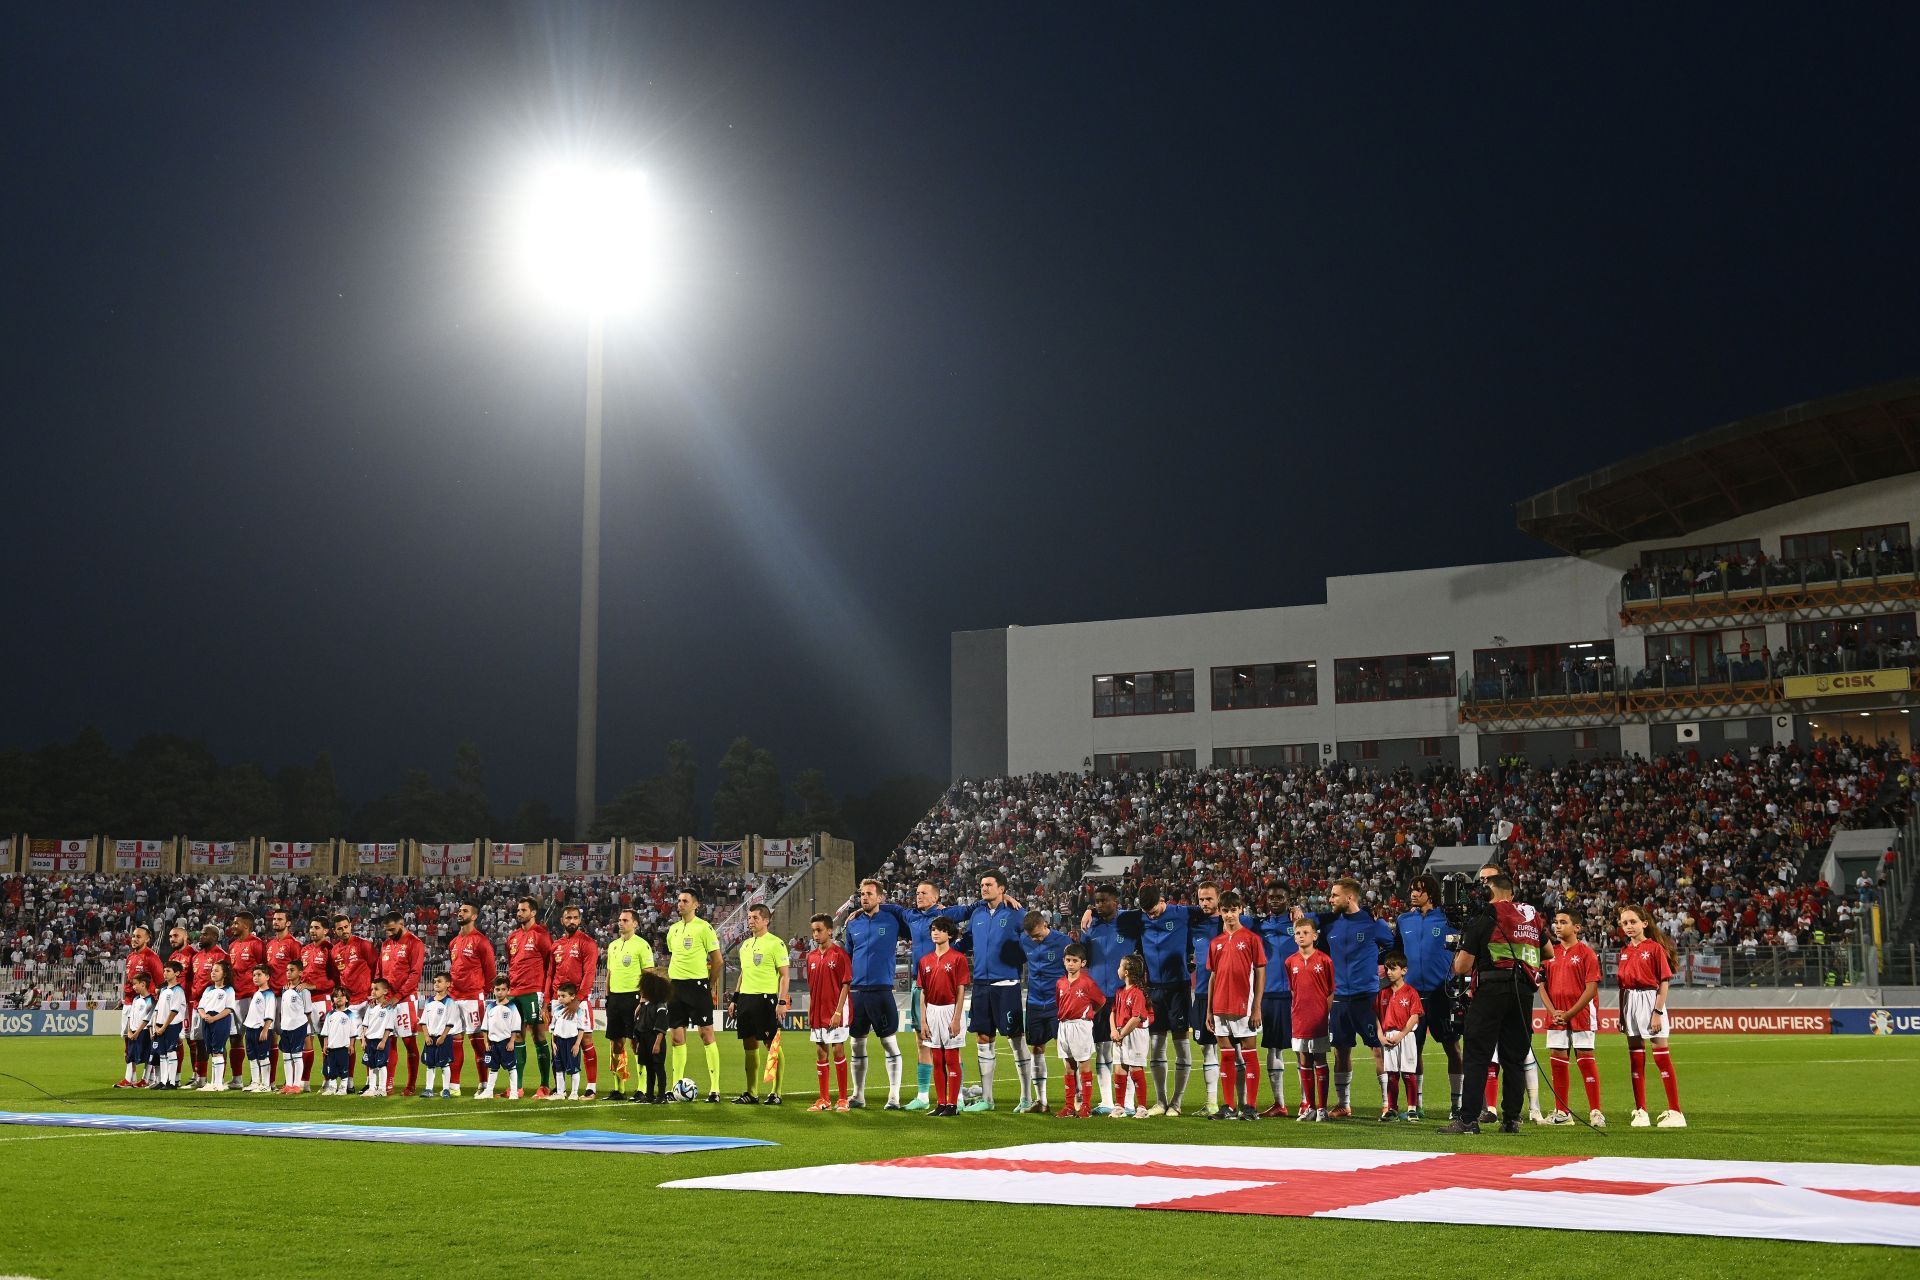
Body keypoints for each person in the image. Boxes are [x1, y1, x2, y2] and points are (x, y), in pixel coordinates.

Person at [1439, 874, 1544, 1136]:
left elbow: (1461, 966)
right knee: (1514, 1058)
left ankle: (1468, 1120)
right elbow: (1548, 952)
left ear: (1490, 891)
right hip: (1523, 992)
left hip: (1491, 989)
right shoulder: (1531, 916)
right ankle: (1511, 1120)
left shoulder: (1485, 916)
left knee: (1477, 1056)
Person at [1295, 877, 1393, 1118]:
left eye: (1335, 895)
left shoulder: (1373, 925)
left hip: (1367, 997)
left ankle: (1387, 1103)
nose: (1330, 899)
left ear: (1350, 897)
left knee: (1378, 1050)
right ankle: (1343, 1103)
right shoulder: (1329, 925)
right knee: (1341, 1050)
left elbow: (1394, 950)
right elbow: (1307, 923)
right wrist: (1301, 914)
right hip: (1339, 997)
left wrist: (1385, 978)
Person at [1115, 885, 1197, 1115]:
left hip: (1179, 987)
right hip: (1153, 989)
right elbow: (1111, 911)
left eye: (1154, 910)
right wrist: (1090, 909)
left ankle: (1177, 1102)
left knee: (1181, 1043)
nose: (1151, 916)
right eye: (1147, 913)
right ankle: (1161, 1102)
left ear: (1163, 900)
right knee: (1157, 1045)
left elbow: (1211, 910)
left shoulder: (1182, 912)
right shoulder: (1139, 917)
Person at [952, 871, 1028, 1113]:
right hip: (982, 986)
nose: (983, 888)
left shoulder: (1016, 913)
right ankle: (987, 1099)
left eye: (989, 885)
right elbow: (967, 941)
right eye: (981, 884)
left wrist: (1016, 962)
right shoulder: (977, 914)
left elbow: (1030, 942)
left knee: (1016, 1041)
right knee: (983, 1039)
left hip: (1007, 985)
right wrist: (949, 949)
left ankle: (1026, 1097)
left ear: (1002, 888)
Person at [1395, 874, 1466, 1118]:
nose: (1413, 894)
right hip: (1412, 994)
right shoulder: (1403, 920)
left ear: (1431, 893)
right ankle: (1416, 1106)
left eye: (1419, 890)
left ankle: (1457, 1105)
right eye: (1412, 890)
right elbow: (1396, 953)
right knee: (1413, 1050)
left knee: (1452, 1047)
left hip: (1442, 993)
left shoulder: (1448, 919)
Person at [838, 879, 912, 1110]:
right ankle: (858, 1095)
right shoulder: (853, 924)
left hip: (882, 991)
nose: (865, 897)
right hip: (857, 992)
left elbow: (915, 926)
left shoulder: (892, 919)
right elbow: (848, 959)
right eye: (862, 894)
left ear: (880, 897)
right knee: (856, 1045)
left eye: (870, 894)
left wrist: (886, 906)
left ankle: (894, 1097)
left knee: (889, 1043)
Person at [1618, 903, 1685, 1129]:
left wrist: (1657, 1012)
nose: (1629, 926)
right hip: (1630, 1004)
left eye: (1633, 922)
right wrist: (1621, 1015)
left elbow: (1664, 982)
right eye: (1625, 923)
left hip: (1650, 1000)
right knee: (1636, 1060)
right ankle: (1641, 1111)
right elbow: (1622, 987)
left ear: (1644, 923)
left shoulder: (1654, 948)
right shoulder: (1624, 952)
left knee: (1661, 1056)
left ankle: (1676, 1111)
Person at [1205, 890, 1265, 1121]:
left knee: (1249, 1055)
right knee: (1227, 1057)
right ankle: (1228, 1106)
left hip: (1245, 1007)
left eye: (1233, 910)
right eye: (1225, 910)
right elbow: (1213, 976)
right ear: (1220, 912)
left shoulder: (1251, 939)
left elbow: (1260, 972)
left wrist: (1257, 1007)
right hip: (1220, 1007)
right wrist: (1209, 1010)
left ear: (1240, 910)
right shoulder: (1216, 943)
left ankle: (1250, 1107)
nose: (1229, 915)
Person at [1541, 909, 1603, 1127]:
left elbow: (1591, 988)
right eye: (1556, 922)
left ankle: (1596, 1111)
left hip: (1581, 1014)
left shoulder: (1587, 953)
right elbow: (1541, 985)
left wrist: (1569, 1013)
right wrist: (1552, 1012)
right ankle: (1562, 1112)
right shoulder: (1550, 953)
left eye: (1563, 922)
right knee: (1557, 1060)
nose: (1557, 926)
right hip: (1556, 1015)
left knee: (1585, 1058)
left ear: (1577, 927)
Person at [1075, 884, 1131, 1114]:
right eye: (1096, 901)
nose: (1099, 904)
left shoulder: (1129, 922)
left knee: (1124, 1051)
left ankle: (1126, 1102)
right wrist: (1089, 911)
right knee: (1102, 1049)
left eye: (1104, 900)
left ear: (1115, 901)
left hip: (1122, 996)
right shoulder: (1090, 928)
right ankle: (1107, 1101)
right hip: (1097, 998)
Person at [664, 889, 723, 1103]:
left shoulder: (704, 928)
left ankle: (715, 1089)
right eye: (678, 900)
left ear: (695, 904)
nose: (680, 904)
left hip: (698, 986)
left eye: (685, 901)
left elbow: (718, 961)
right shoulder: (673, 930)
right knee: (677, 1037)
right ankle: (675, 1086)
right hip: (676, 988)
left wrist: (709, 985)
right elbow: (675, 956)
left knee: (706, 1034)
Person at [727, 904, 790, 1104]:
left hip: (766, 998)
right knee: (749, 1044)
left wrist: (781, 1001)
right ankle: (751, 1093)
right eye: (749, 917)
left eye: (755, 917)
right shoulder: (745, 945)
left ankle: (775, 1092)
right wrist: (735, 999)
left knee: (771, 1044)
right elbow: (744, 974)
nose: (750, 921)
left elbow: (785, 975)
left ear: (766, 920)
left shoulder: (776, 943)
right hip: (746, 998)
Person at [1007, 910, 1066, 1113]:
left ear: (1045, 925)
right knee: (1037, 1049)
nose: (1035, 939)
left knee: (1067, 1051)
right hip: (1033, 1002)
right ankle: (1041, 1101)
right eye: (1032, 936)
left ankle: (1074, 1099)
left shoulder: (1063, 941)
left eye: (1038, 935)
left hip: (1057, 1003)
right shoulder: (1025, 940)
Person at [916, 915, 970, 1117]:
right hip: (931, 1011)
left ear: (949, 933)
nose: (935, 933)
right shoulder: (925, 961)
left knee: (951, 1058)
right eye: (933, 929)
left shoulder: (958, 959)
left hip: (950, 1009)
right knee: (937, 1059)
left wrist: (956, 1018)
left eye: (940, 929)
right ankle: (940, 1103)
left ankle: (953, 1105)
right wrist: (923, 1020)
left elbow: (960, 989)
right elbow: (922, 992)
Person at [901, 880, 947, 1110]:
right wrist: (859, 908)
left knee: (947, 1042)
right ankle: (923, 1095)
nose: (918, 895)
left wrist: (1004, 898)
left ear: (936, 898)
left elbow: (973, 908)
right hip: (918, 986)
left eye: (924, 893)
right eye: (917, 892)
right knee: (921, 1040)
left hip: (941, 986)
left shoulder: (945, 917)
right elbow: (888, 908)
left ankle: (954, 1095)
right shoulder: (912, 917)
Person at [505, 897, 557, 1099]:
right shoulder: (512, 937)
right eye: (518, 910)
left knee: (538, 1036)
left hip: (534, 990)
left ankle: (544, 1085)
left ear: (533, 912)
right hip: (515, 993)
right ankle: (516, 1087)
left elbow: (549, 966)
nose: (519, 913)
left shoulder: (542, 935)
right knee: (517, 1037)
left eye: (524, 910)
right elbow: (511, 963)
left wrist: (546, 998)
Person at [549, 904, 601, 1097]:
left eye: (575, 918)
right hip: (557, 1001)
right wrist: (548, 1000)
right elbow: (550, 974)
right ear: (562, 920)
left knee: (585, 1040)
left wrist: (578, 1000)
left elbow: (589, 973)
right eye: (568, 917)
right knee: (557, 1040)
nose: (571, 921)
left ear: (579, 920)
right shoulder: (556, 945)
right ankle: (560, 1088)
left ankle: (591, 1088)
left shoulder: (587, 943)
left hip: (579, 1001)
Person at [446, 901, 496, 1097]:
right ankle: (454, 1086)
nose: (460, 913)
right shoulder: (453, 942)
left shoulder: (481, 941)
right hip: (454, 998)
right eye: (459, 910)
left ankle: (484, 1084)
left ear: (474, 916)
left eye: (465, 911)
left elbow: (490, 971)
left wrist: (481, 991)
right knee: (455, 1042)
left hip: (473, 998)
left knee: (478, 1044)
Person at [603, 908, 654, 1101]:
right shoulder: (613, 945)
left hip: (634, 998)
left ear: (635, 924)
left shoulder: (642, 946)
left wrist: (643, 1000)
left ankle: (641, 1088)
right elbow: (609, 973)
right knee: (616, 1043)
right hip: (615, 998)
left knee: (636, 1042)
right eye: (620, 920)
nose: (621, 923)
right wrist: (607, 996)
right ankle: (619, 1087)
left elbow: (648, 974)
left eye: (625, 920)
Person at [1255, 885, 1297, 1117]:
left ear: (1288, 899)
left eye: (1279, 897)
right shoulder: (1259, 925)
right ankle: (1279, 1103)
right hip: (1269, 994)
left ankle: (1306, 1102)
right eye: (1271, 897)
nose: (1274, 901)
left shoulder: (1299, 923)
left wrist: (1299, 911)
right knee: (1273, 1047)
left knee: (1302, 1048)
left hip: (1296, 994)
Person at [804, 914, 853, 1112]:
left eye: (819, 930)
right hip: (817, 1010)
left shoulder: (840, 955)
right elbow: (811, 987)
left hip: (835, 1010)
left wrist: (838, 1012)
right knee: (820, 1051)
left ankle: (842, 1099)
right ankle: (824, 1099)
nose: (815, 934)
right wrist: (810, 1011)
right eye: (813, 931)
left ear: (830, 931)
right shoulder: (811, 957)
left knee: (838, 1050)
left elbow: (846, 984)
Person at [1287, 918, 1334, 1122]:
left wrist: (1324, 1013)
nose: (1301, 936)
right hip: (1299, 1018)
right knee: (1304, 1059)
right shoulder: (1290, 962)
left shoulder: (1325, 960)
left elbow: (1331, 990)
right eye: (1298, 933)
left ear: (1315, 936)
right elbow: (1292, 989)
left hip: (1319, 1018)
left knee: (1320, 1059)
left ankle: (1322, 1108)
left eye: (1306, 933)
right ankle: (1310, 1107)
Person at [1054, 942, 1105, 1118]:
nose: (1070, 964)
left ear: (1082, 963)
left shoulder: (1087, 982)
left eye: (1074, 960)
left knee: (1084, 1065)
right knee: (1069, 1067)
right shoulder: (1060, 982)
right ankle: (1069, 1106)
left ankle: (1086, 1106)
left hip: (1080, 1026)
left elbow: (1101, 1001)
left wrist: (1089, 1014)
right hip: (1064, 1026)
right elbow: (1059, 1003)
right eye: (1068, 960)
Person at [377, 911, 425, 1095]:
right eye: (386, 930)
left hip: (405, 1000)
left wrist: (399, 995)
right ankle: (388, 1083)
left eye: (392, 929)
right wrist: (377, 993)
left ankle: (411, 1084)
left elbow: (415, 973)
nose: (389, 933)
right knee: (389, 1041)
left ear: (402, 924)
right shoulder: (386, 944)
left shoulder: (415, 943)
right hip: (387, 1000)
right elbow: (379, 971)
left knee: (409, 1041)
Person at [329, 914, 376, 1088]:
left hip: (365, 1001)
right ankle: (349, 1082)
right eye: (339, 928)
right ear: (335, 931)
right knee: (348, 1043)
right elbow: (336, 976)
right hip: (349, 1005)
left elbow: (375, 967)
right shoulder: (334, 951)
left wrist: (373, 993)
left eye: (346, 927)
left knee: (369, 1043)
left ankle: (370, 1082)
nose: (344, 931)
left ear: (351, 925)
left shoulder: (364, 945)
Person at [1375, 952, 1423, 1122]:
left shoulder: (1411, 992)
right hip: (1388, 1036)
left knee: (1409, 1074)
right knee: (1392, 1075)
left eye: (1393, 968)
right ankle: (1392, 1109)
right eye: (1387, 968)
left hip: (1406, 1036)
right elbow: (1377, 1017)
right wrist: (1380, 1035)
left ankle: (1411, 1109)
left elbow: (1415, 1016)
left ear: (1404, 970)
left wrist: (1402, 1034)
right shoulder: (1382, 993)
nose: (1389, 972)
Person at [118, 925, 162, 1085]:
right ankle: (130, 1077)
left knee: (146, 1042)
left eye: (139, 936)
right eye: (134, 936)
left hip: (145, 1004)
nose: (135, 939)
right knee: (127, 1038)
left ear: (147, 939)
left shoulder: (151, 957)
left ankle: (146, 1078)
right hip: (130, 1003)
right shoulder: (130, 957)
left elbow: (160, 982)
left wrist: (155, 1005)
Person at [227, 913, 266, 1090]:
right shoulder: (233, 945)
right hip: (235, 996)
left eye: (236, 923)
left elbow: (264, 969)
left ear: (246, 925)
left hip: (251, 996)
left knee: (255, 1037)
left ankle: (260, 1080)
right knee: (235, 1037)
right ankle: (237, 1079)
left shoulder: (256, 944)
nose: (233, 926)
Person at [1110, 954, 1152, 1119]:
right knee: (1119, 1069)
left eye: (1120, 966)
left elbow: (1136, 1018)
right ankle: (1119, 1106)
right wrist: (1114, 1031)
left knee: (1135, 1068)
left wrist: (1121, 1033)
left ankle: (1141, 1108)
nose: (1118, 969)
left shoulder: (1137, 993)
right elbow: (1112, 1012)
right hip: (1120, 1033)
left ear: (1126, 972)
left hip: (1134, 1033)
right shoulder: (1120, 991)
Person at [186, 924, 227, 1089]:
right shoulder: (196, 957)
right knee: (199, 1041)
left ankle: (219, 1080)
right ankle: (201, 1079)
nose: (201, 937)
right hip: (197, 1005)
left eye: (205, 934)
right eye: (201, 934)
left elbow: (227, 982)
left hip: (214, 1005)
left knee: (217, 1043)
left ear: (215, 937)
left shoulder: (222, 956)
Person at [298, 919, 336, 1090]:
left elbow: (335, 980)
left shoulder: (330, 950)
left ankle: (328, 1080)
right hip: (305, 1001)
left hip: (322, 1000)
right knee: (306, 1040)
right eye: (311, 927)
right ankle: (304, 1082)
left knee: (325, 1042)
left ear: (326, 930)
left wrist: (314, 986)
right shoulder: (304, 950)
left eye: (317, 928)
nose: (312, 930)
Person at [477, 976, 522, 1101]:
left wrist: (512, 1041)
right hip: (492, 1043)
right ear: (493, 990)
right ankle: (489, 1091)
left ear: (508, 990)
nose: (500, 992)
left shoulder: (512, 1006)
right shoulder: (490, 1007)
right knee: (493, 1067)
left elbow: (515, 1026)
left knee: (511, 1067)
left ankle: (514, 1092)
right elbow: (485, 1026)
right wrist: (486, 1041)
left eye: (503, 989)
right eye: (497, 989)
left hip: (506, 1042)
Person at [195, 959, 236, 1092]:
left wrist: (214, 1018)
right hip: (207, 1021)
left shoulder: (229, 990)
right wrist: (204, 1016)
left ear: (224, 974)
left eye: (216, 970)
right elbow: (200, 1006)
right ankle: (212, 1082)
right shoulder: (208, 989)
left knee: (218, 1050)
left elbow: (229, 1009)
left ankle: (218, 1083)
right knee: (212, 1051)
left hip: (220, 1020)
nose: (213, 973)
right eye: (212, 970)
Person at [165, 925, 197, 1087]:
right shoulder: (173, 955)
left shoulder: (193, 954)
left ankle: (196, 1074)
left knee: (192, 1039)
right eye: (170, 936)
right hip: (174, 1004)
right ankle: (175, 1076)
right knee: (175, 1040)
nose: (172, 939)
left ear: (185, 937)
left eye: (176, 936)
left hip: (189, 1002)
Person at [148, 962, 187, 1090]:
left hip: (172, 1025)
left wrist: (164, 1027)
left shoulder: (178, 990)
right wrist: (155, 1026)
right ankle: (163, 1081)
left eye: (168, 971)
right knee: (162, 1054)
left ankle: (172, 1081)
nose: (165, 973)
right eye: (164, 971)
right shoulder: (164, 990)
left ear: (177, 973)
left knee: (171, 1052)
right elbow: (157, 1010)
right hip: (160, 1025)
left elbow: (174, 1011)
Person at [419, 972, 457, 1098]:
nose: (436, 983)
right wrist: (426, 1036)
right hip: (430, 1038)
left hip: (443, 1038)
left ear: (448, 984)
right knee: (430, 1064)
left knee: (444, 1064)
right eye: (435, 981)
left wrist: (443, 1036)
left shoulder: (450, 1002)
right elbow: (423, 1021)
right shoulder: (429, 1001)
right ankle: (428, 1089)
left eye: (439, 981)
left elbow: (450, 1022)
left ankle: (446, 1089)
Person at [277, 961, 312, 1095]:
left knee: (297, 1056)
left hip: (298, 1026)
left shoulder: (304, 991)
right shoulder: (285, 989)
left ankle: (297, 1085)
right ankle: (288, 1085)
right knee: (286, 1057)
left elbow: (308, 1012)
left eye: (292, 970)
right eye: (287, 970)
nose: (288, 972)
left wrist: (303, 1028)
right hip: (286, 1027)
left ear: (300, 973)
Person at [636, 970, 671, 1104]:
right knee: (649, 1068)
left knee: (658, 1068)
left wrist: (657, 1043)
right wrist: (639, 1041)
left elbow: (661, 1027)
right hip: (645, 1040)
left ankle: (662, 1096)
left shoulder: (660, 1006)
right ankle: (649, 1095)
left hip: (655, 1039)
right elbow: (641, 1025)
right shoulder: (646, 1005)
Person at [549, 981, 588, 1101]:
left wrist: (577, 1044)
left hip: (571, 1042)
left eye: (563, 996)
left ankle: (574, 1093)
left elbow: (581, 1029)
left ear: (572, 996)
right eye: (559, 996)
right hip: (558, 1042)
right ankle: (561, 1092)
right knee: (559, 1068)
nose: (560, 998)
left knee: (573, 1068)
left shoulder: (578, 1011)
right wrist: (553, 1043)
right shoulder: (557, 1010)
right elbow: (553, 1028)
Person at [241, 964, 277, 1092]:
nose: (255, 977)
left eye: (259, 975)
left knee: (263, 1056)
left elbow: (270, 1014)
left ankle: (266, 1084)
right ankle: (255, 1082)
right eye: (254, 975)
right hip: (250, 1028)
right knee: (252, 1057)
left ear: (267, 977)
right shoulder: (257, 993)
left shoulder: (269, 995)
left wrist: (266, 1029)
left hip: (261, 1029)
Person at [360, 979, 396, 1097]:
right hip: (370, 1040)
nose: (373, 991)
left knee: (381, 1065)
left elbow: (389, 1027)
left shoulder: (389, 1008)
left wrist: (384, 1041)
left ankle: (382, 1089)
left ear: (385, 991)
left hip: (381, 1040)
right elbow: (365, 1025)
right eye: (372, 989)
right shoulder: (370, 1008)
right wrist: (364, 1040)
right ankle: (371, 1088)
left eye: (376, 989)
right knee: (371, 1065)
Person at [320, 990, 359, 1096]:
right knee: (331, 1070)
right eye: (336, 996)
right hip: (331, 1048)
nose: (339, 998)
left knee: (343, 1069)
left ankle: (342, 1088)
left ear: (346, 999)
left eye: (342, 996)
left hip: (343, 1047)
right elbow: (325, 1032)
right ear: (332, 999)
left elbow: (352, 1033)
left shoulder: (350, 1014)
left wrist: (351, 1045)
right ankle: (332, 1088)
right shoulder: (330, 1015)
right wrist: (325, 1045)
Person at [120, 973, 154, 1088]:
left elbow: (147, 1019)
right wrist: (129, 1031)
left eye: (135, 984)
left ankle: (145, 1079)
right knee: (131, 1056)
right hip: (133, 1032)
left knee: (146, 1055)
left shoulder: (151, 1000)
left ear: (143, 984)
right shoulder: (135, 999)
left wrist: (137, 1032)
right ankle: (127, 1079)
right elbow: (130, 1016)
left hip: (143, 1032)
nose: (133, 987)